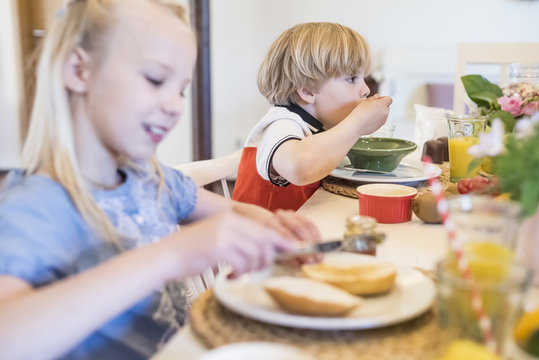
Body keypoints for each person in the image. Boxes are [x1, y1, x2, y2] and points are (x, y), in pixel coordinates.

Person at [0, 1, 320, 359]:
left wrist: (276, 228)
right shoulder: (35, 206)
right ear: (79, 70)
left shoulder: (149, 180)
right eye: (155, 79)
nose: (175, 106)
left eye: (181, 89)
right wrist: (170, 255)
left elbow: (232, 213)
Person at [232, 22, 393, 212]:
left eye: (363, 78)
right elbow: (299, 167)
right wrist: (358, 123)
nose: (366, 89)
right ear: (308, 91)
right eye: (351, 79)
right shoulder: (281, 124)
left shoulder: (319, 124)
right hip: (261, 238)